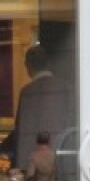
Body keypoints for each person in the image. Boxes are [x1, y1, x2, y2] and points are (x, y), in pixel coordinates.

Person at [0, 45, 71, 173]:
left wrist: (3, 148)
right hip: (59, 160)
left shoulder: (27, 92)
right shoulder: (65, 88)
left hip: (30, 161)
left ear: (27, 66)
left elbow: (19, 130)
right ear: (48, 63)